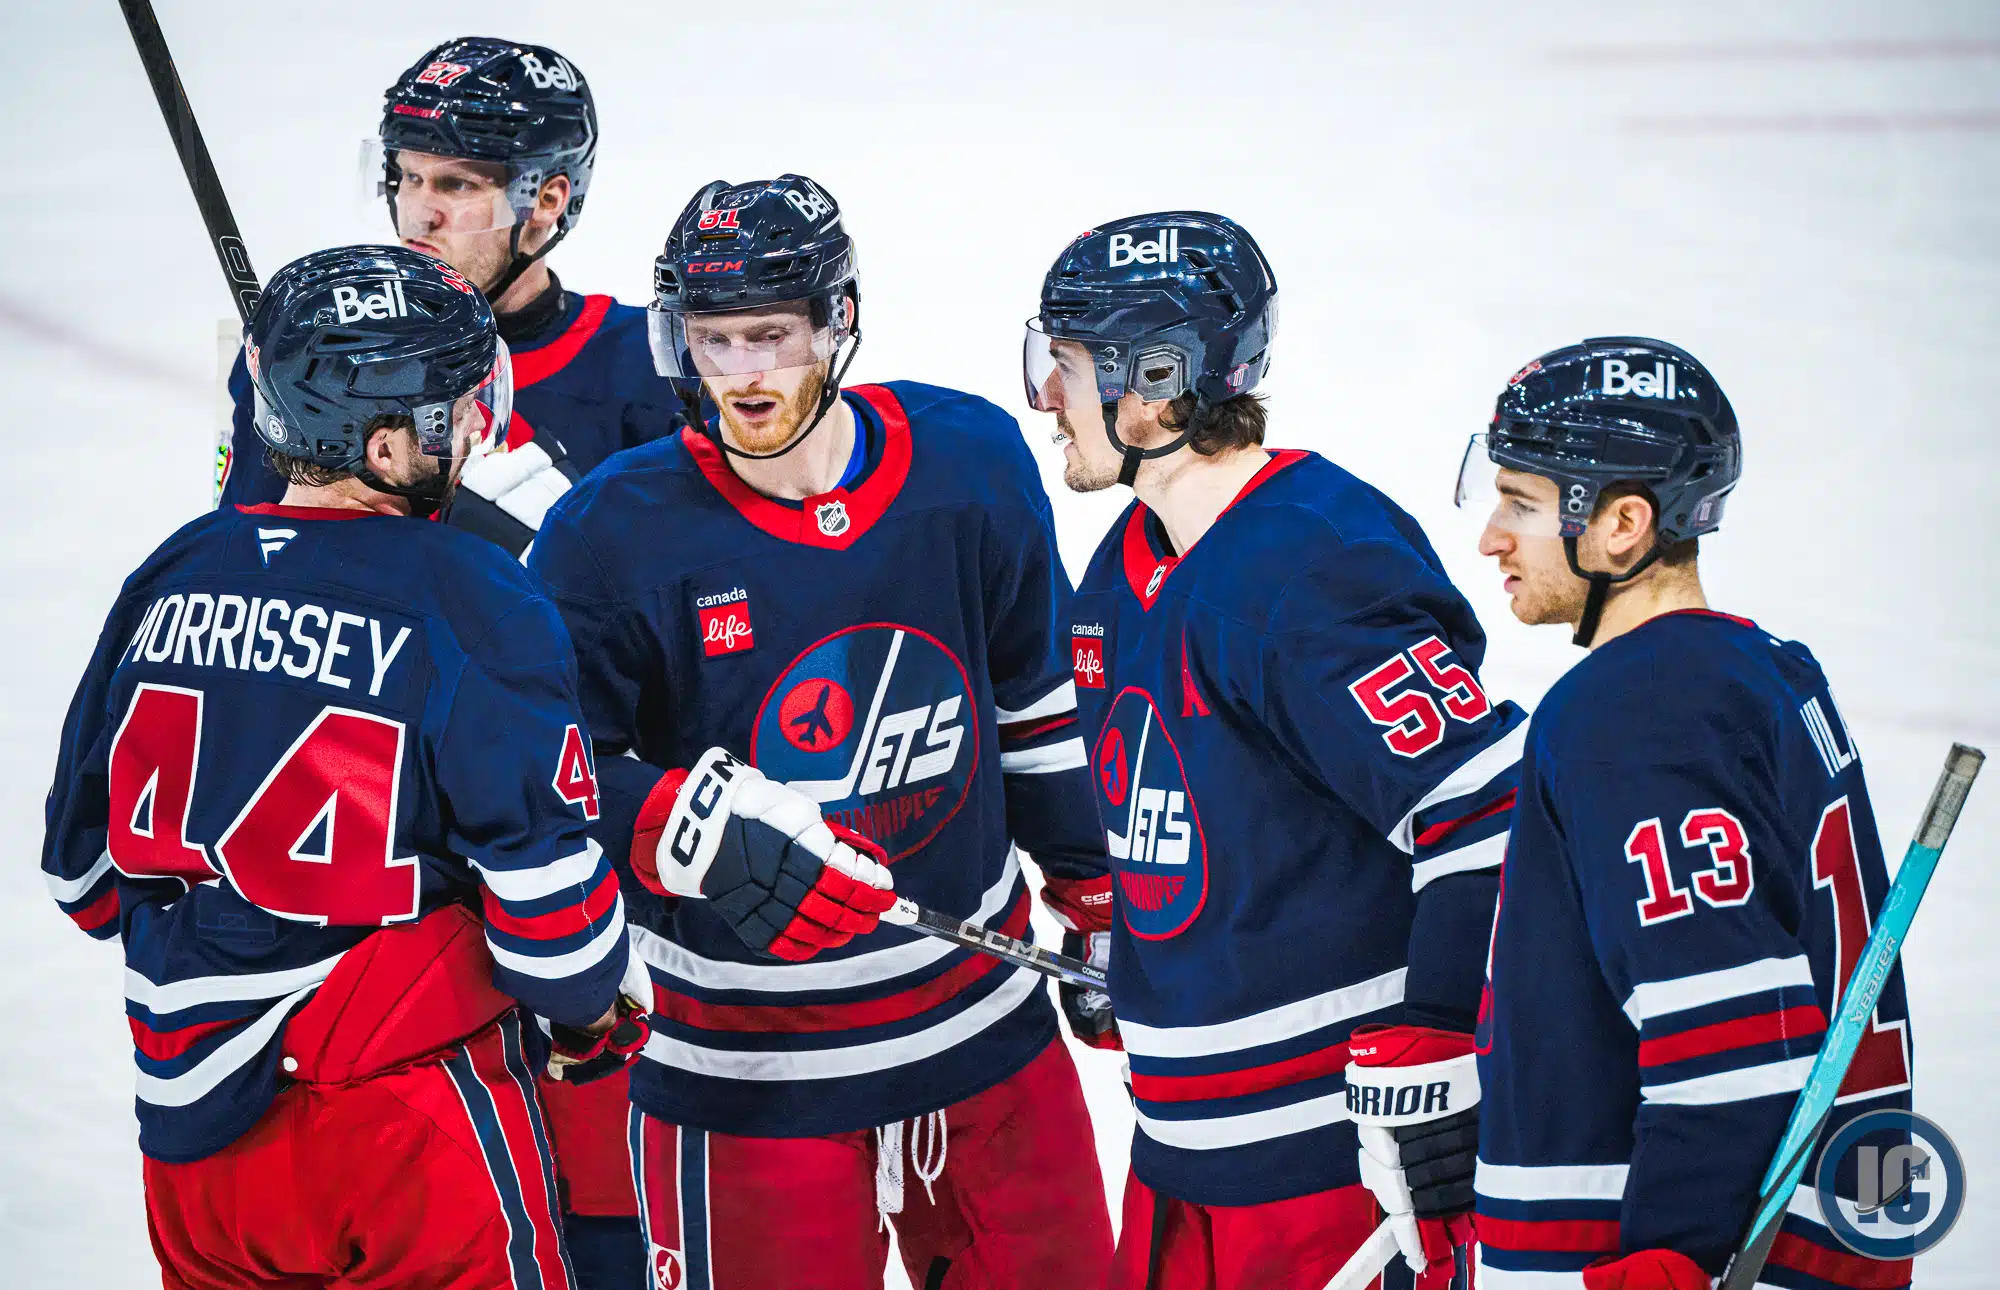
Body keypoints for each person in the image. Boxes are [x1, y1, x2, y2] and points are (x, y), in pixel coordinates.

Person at [527, 174, 1117, 1289]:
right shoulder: (608, 534)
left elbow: (1033, 704)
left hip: (984, 1037)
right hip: (746, 1077)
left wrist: (1093, 894)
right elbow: (541, 782)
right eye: (713, 340)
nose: (742, 373)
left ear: (836, 322)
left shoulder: (968, 461)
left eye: (771, 335)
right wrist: (671, 820)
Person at [41, 244, 649, 1288]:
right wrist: (597, 1013)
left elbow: (83, 882)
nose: (476, 426)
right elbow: (550, 916)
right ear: (383, 443)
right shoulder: (474, 593)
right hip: (405, 1130)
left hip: (194, 1161)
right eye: (455, 408)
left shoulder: (174, 570)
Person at [1026, 212, 1524, 1290]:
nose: (1044, 397)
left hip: (1330, 1178)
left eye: (1065, 364)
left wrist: (1439, 1038)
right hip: (1179, 1162)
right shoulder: (1120, 571)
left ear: (1155, 380)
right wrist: (1138, 960)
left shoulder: (1307, 566)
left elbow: (1487, 813)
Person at [1459, 337, 1914, 1290]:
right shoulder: (1763, 673)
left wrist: (1671, 1262)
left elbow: (1730, 1043)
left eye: (1522, 503)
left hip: (1658, 1256)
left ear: (1623, 524)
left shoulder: (1632, 713)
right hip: (1820, 1241)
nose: (1492, 537)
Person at [217, 36, 685, 560]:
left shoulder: (653, 369)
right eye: (409, 177)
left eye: (457, 185)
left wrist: (563, 556)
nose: (418, 213)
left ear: (547, 199)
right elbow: (240, 565)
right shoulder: (315, 353)